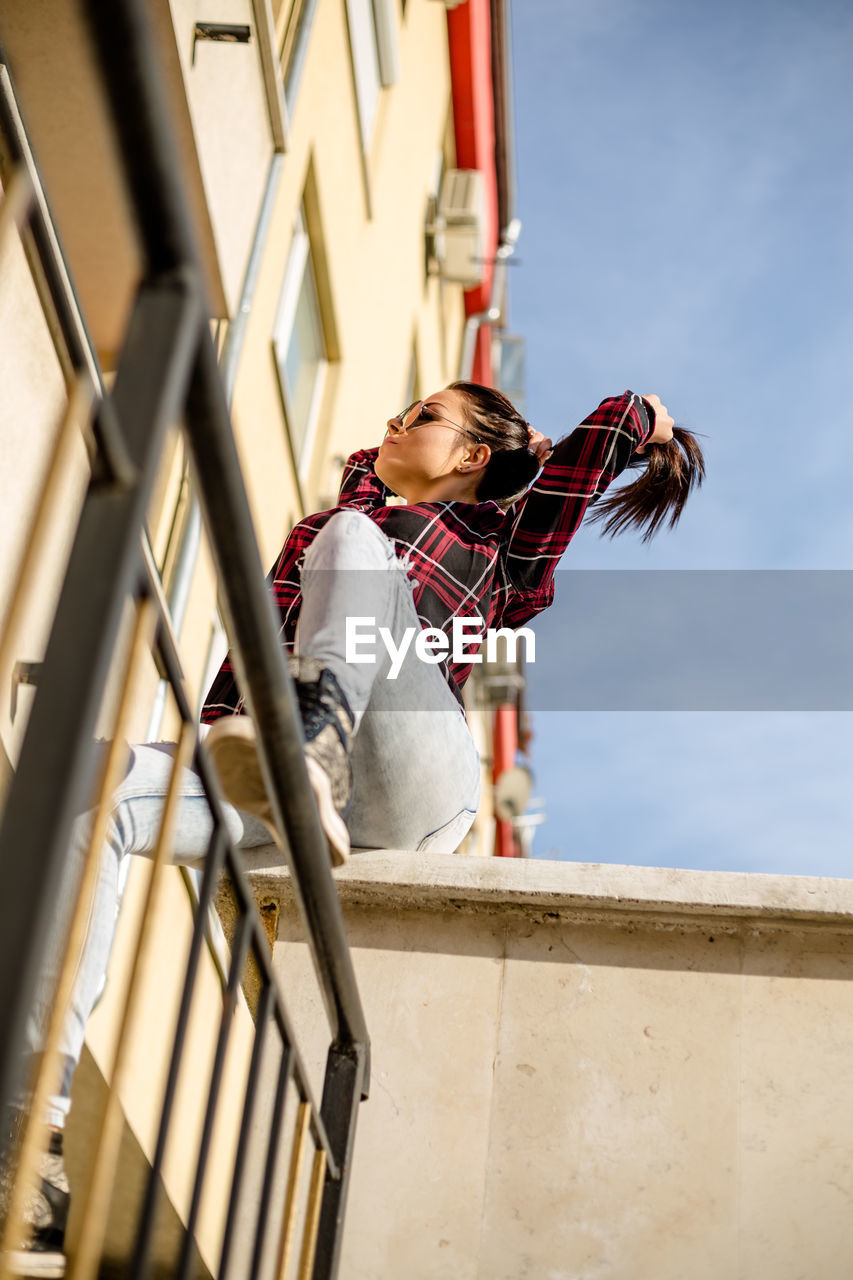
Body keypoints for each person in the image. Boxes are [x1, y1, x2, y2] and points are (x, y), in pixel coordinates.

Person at [1, 382, 704, 1274]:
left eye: (419, 417)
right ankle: (34, 1135)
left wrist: (652, 422)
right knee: (85, 789)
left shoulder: (504, 542)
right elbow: (233, 698)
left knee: (352, 538)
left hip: (414, 782)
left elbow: (614, 421)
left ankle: (314, 751)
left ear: (475, 456)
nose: (392, 423)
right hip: (288, 789)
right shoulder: (335, 529)